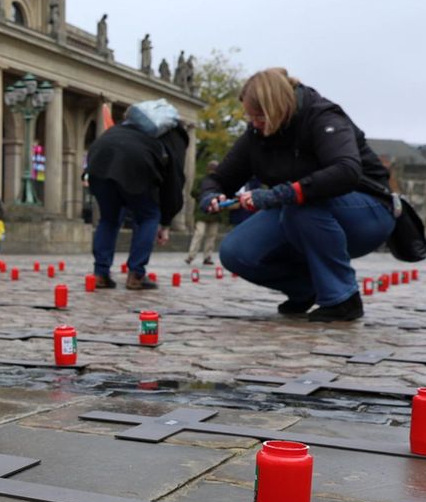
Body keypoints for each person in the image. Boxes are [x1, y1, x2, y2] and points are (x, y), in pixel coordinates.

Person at [200, 68, 395, 322]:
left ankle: (343, 298)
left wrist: (278, 194)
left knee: (301, 206)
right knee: (236, 251)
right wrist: (211, 195)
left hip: (366, 211)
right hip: (297, 209)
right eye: (249, 116)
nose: (254, 123)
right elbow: (220, 178)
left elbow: (346, 171)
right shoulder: (256, 135)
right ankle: (306, 288)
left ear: (277, 108)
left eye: (259, 116)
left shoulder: (323, 117)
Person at [84, 99, 189, 289]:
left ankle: (100, 274)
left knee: (108, 218)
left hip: (99, 156)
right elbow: (174, 180)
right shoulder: (171, 135)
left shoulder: (123, 128)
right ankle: (136, 275)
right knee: (148, 215)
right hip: (135, 162)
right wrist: (165, 220)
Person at [185, 159, 221, 265]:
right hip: (202, 211)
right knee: (199, 234)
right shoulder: (201, 180)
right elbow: (193, 192)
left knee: (212, 235)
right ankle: (191, 256)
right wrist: (204, 196)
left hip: (214, 213)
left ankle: (207, 257)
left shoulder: (220, 181)